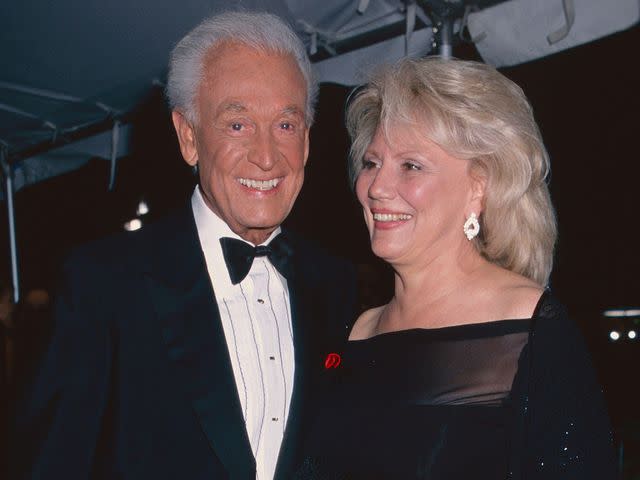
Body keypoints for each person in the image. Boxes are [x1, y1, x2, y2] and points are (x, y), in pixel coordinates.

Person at [10, 12, 357, 480]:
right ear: (188, 137)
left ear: (308, 141)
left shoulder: (338, 286)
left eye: (285, 125)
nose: (267, 156)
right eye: (237, 125)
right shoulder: (104, 283)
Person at [297, 57, 617, 479]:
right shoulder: (360, 330)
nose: (375, 187)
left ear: (478, 188)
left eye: (410, 166)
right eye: (372, 163)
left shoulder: (528, 327)